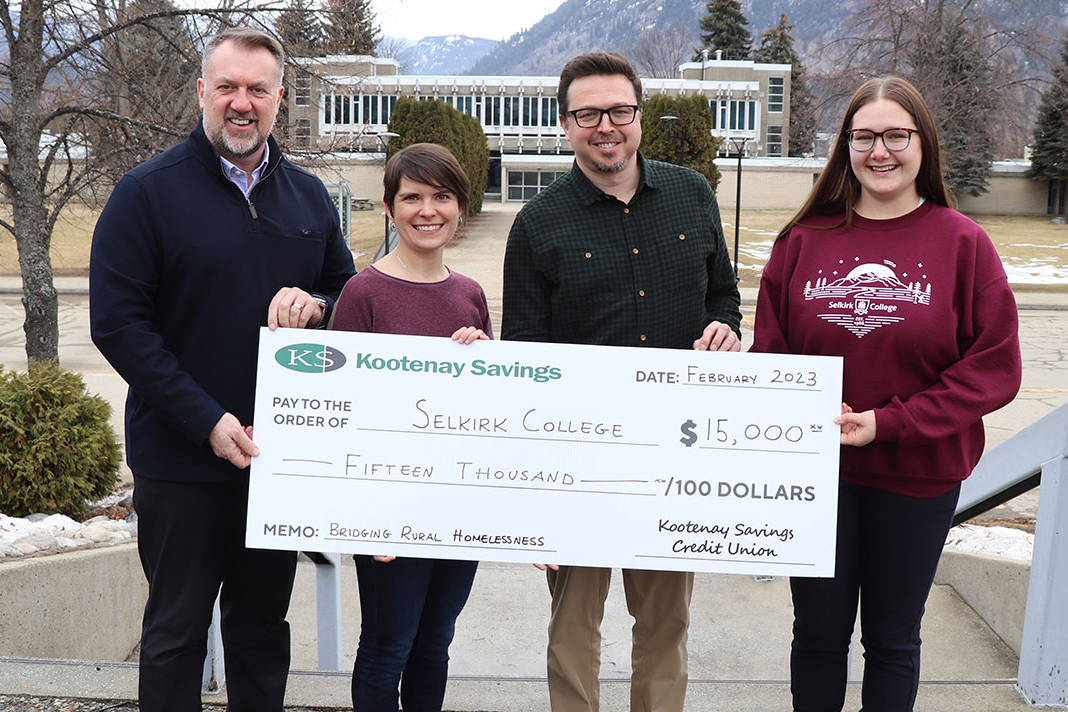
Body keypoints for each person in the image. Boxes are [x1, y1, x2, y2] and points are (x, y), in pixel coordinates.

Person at [89, 27, 356, 712]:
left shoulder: (308, 197)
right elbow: (119, 326)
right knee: (175, 631)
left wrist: (320, 306)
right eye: (228, 87)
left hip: (278, 460)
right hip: (181, 459)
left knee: (262, 631)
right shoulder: (146, 193)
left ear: (279, 99)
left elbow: (347, 295)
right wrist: (206, 420)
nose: (242, 102)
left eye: (257, 89)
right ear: (203, 92)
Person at [750, 76, 1022, 712]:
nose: (880, 151)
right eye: (864, 137)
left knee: (893, 641)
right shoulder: (802, 240)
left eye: (896, 136)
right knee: (817, 637)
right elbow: (772, 353)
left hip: (918, 477)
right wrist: (801, 408)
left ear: (923, 144)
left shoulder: (962, 242)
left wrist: (891, 423)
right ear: (845, 146)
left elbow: (994, 366)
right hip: (817, 475)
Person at [502, 51, 742, 712]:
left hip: (673, 456)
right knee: (573, 629)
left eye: (618, 111)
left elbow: (724, 295)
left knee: (666, 625)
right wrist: (534, 494)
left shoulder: (692, 194)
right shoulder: (537, 224)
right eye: (588, 114)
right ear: (565, 123)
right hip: (577, 463)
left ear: (639, 116)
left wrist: (724, 327)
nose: (605, 126)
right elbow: (523, 360)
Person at [331, 143, 491, 712]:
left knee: (435, 643)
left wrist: (483, 358)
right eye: (412, 197)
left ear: (460, 207)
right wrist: (367, 516)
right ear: (389, 208)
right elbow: (342, 411)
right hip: (388, 509)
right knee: (387, 647)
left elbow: (487, 415)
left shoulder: (470, 294)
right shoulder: (363, 293)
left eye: (442, 196)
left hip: (457, 505)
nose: (428, 210)